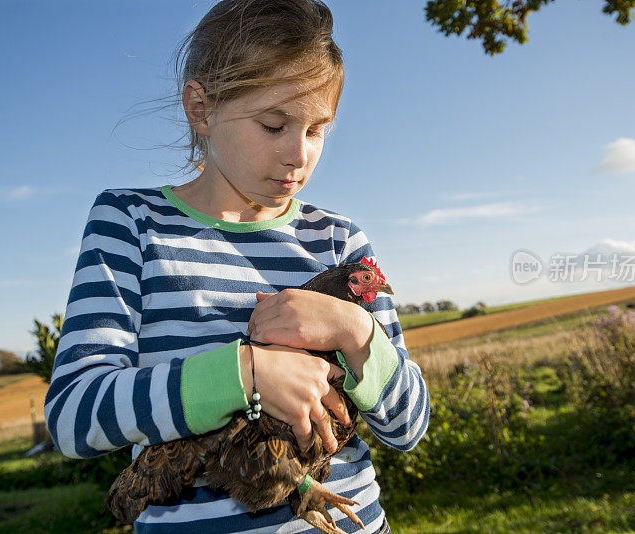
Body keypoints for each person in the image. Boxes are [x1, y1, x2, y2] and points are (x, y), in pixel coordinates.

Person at [44, 1, 430, 532]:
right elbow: (73, 417)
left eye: (317, 130)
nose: (298, 154)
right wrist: (245, 374)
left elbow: (409, 427)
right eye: (274, 125)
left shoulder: (338, 238)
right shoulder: (130, 222)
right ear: (200, 109)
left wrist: (356, 331)